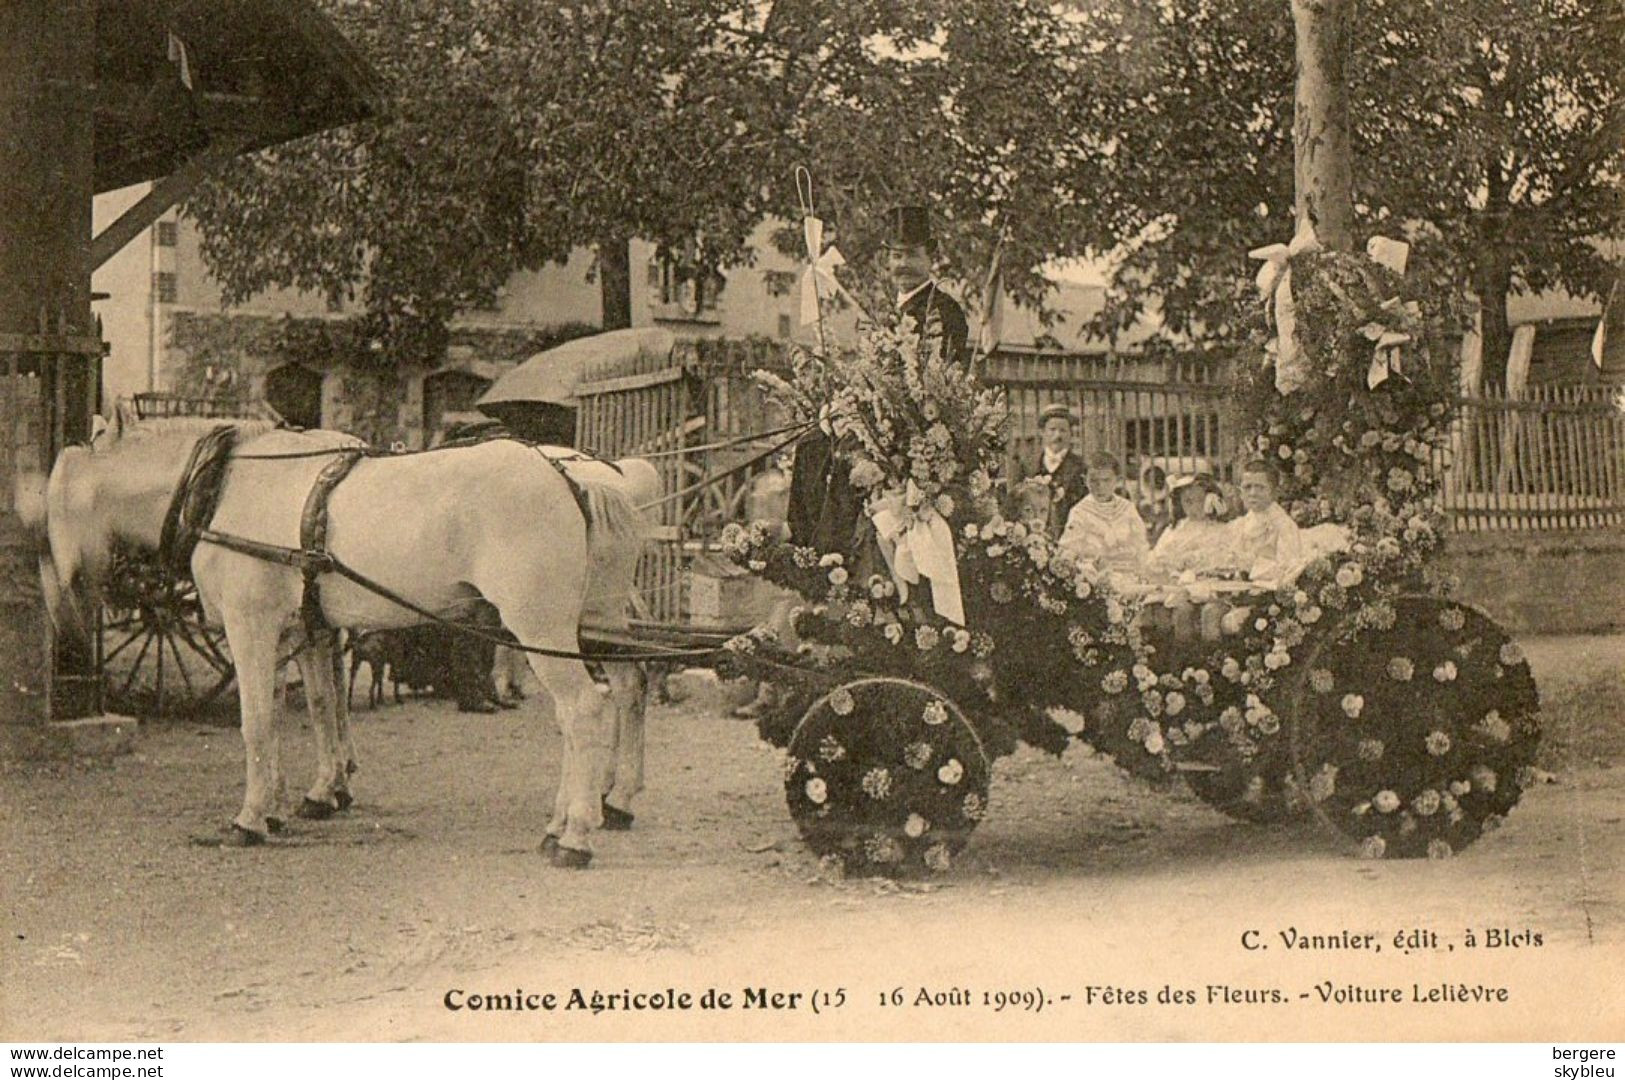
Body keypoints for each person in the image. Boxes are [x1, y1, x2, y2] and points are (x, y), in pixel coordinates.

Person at [882, 205, 971, 369]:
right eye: (897, 256)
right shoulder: (884, 310)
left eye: (912, 255)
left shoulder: (946, 311)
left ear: (931, 258)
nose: (903, 264)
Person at [1146, 475, 1233, 640]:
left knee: (1210, 612)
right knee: (1181, 611)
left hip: (1212, 586)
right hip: (1182, 585)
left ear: (1211, 500)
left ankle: (1211, 659)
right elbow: (1160, 558)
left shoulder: (1221, 530)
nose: (1194, 507)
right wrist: (1176, 565)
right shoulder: (1176, 529)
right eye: (1188, 501)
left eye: (1200, 500)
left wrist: (1201, 564)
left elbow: (1225, 560)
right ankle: (1185, 658)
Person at [1058, 451, 1149, 582]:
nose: (1100, 486)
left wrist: (1141, 570)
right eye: (1094, 481)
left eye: (1106, 480)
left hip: (1129, 573)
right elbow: (1069, 548)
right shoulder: (1080, 511)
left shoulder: (1127, 508)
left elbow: (1140, 544)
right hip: (1095, 577)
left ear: (1117, 480)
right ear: (1085, 480)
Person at [1009, 403, 1087, 537]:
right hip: (1033, 536)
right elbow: (1015, 501)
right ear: (1042, 433)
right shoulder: (1027, 465)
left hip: (1070, 534)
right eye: (1052, 429)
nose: (1058, 435)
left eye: (1063, 430)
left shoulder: (1080, 466)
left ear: (1070, 434)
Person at [1226, 458, 1305, 586]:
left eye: (1260, 487)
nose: (1253, 493)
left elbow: (1290, 569)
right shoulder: (1241, 524)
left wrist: (1253, 566)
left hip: (1269, 592)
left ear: (1274, 492)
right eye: (1247, 487)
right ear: (1240, 492)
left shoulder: (1283, 525)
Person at [1137, 464, 1173, 547]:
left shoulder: (1168, 500)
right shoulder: (1142, 503)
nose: (1153, 483)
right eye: (1149, 480)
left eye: (1157, 479)